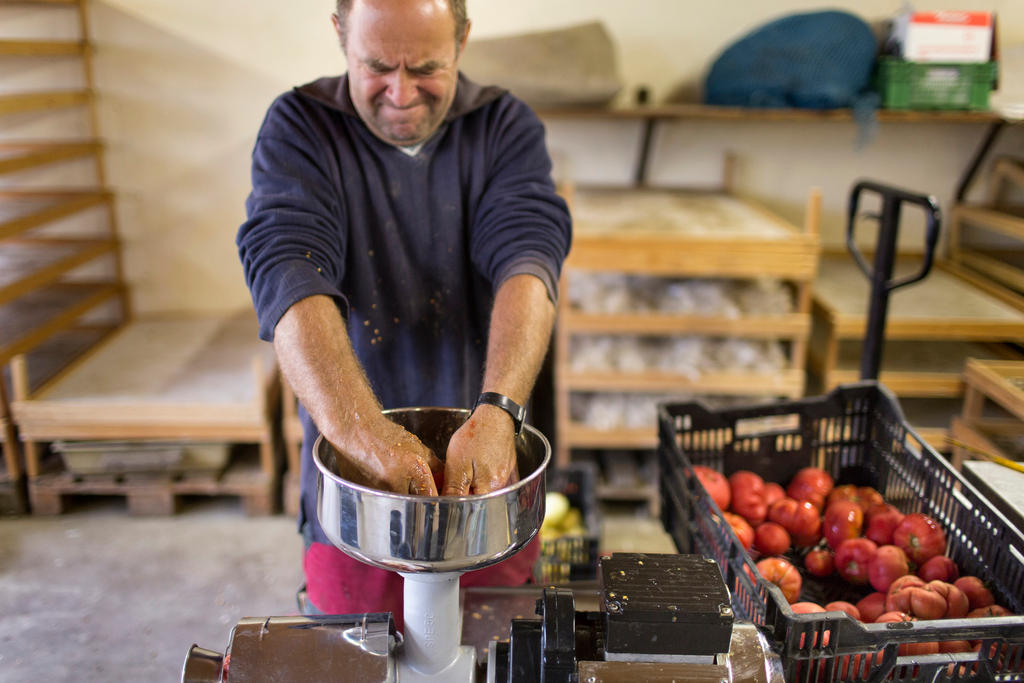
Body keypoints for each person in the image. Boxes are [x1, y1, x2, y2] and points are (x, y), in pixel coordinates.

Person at [236, 0, 572, 621]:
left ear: (463, 40)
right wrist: (363, 434)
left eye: (424, 68)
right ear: (339, 34)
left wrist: (499, 411)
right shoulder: (300, 127)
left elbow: (530, 261)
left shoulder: (505, 126)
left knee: (496, 650)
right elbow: (287, 269)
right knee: (352, 653)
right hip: (357, 487)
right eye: (378, 66)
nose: (400, 92)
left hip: (491, 479)